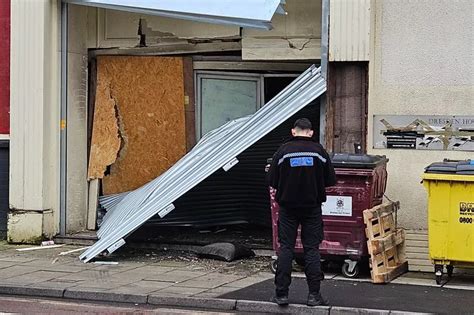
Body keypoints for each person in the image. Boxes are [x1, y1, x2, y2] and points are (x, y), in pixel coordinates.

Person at [266, 118, 336, 307]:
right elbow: (330, 180)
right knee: (311, 249)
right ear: (311, 132)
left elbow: (272, 180)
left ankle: (281, 294)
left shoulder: (282, 152)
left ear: (293, 131)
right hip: (312, 208)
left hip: (288, 208)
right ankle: (314, 295)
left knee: (286, 248)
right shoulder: (320, 152)